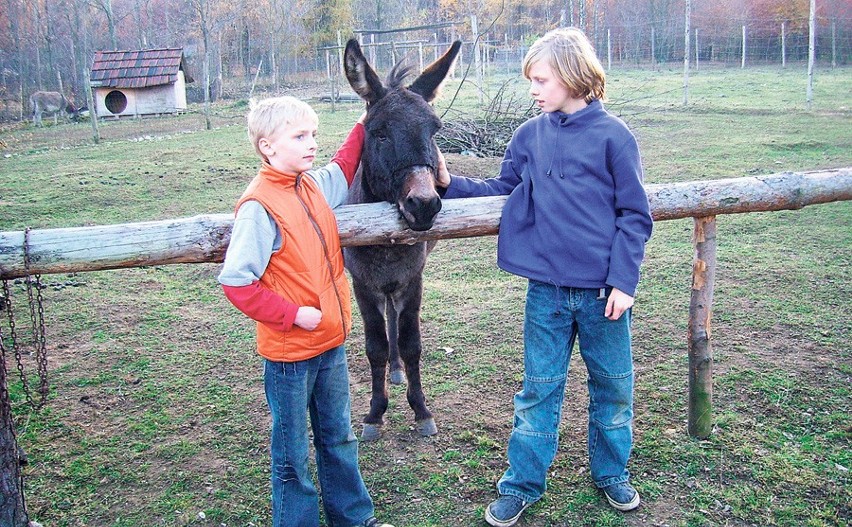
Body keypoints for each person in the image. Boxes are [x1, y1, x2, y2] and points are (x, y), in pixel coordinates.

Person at [436, 27, 653, 526]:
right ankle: (522, 484)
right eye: (530, 80)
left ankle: (611, 473)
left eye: (541, 79)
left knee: (614, 387)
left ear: (574, 76)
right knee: (538, 389)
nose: (532, 89)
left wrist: (624, 282)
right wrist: (450, 184)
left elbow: (634, 215)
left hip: (605, 295)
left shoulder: (615, 137)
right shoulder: (529, 135)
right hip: (547, 294)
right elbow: (501, 188)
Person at [218, 96, 392, 527]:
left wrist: (367, 118)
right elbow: (237, 282)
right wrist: (291, 315)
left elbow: (344, 164)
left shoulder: (311, 186)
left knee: (339, 439)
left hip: (330, 343)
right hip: (289, 356)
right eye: (299, 136)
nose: (311, 143)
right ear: (267, 147)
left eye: (313, 134)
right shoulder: (260, 207)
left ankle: (353, 519)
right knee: (292, 454)